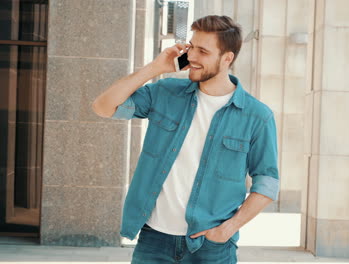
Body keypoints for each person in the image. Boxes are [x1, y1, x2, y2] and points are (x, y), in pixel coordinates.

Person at [92, 15, 279, 264]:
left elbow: (267, 182)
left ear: (227, 58)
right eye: (191, 47)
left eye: (203, 51)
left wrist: (227, 229)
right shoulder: (165, 92)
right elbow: (103, 107)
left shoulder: (257, 116)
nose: (191, 57)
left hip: (210, 247)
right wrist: (154, 68)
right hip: (153, 241)